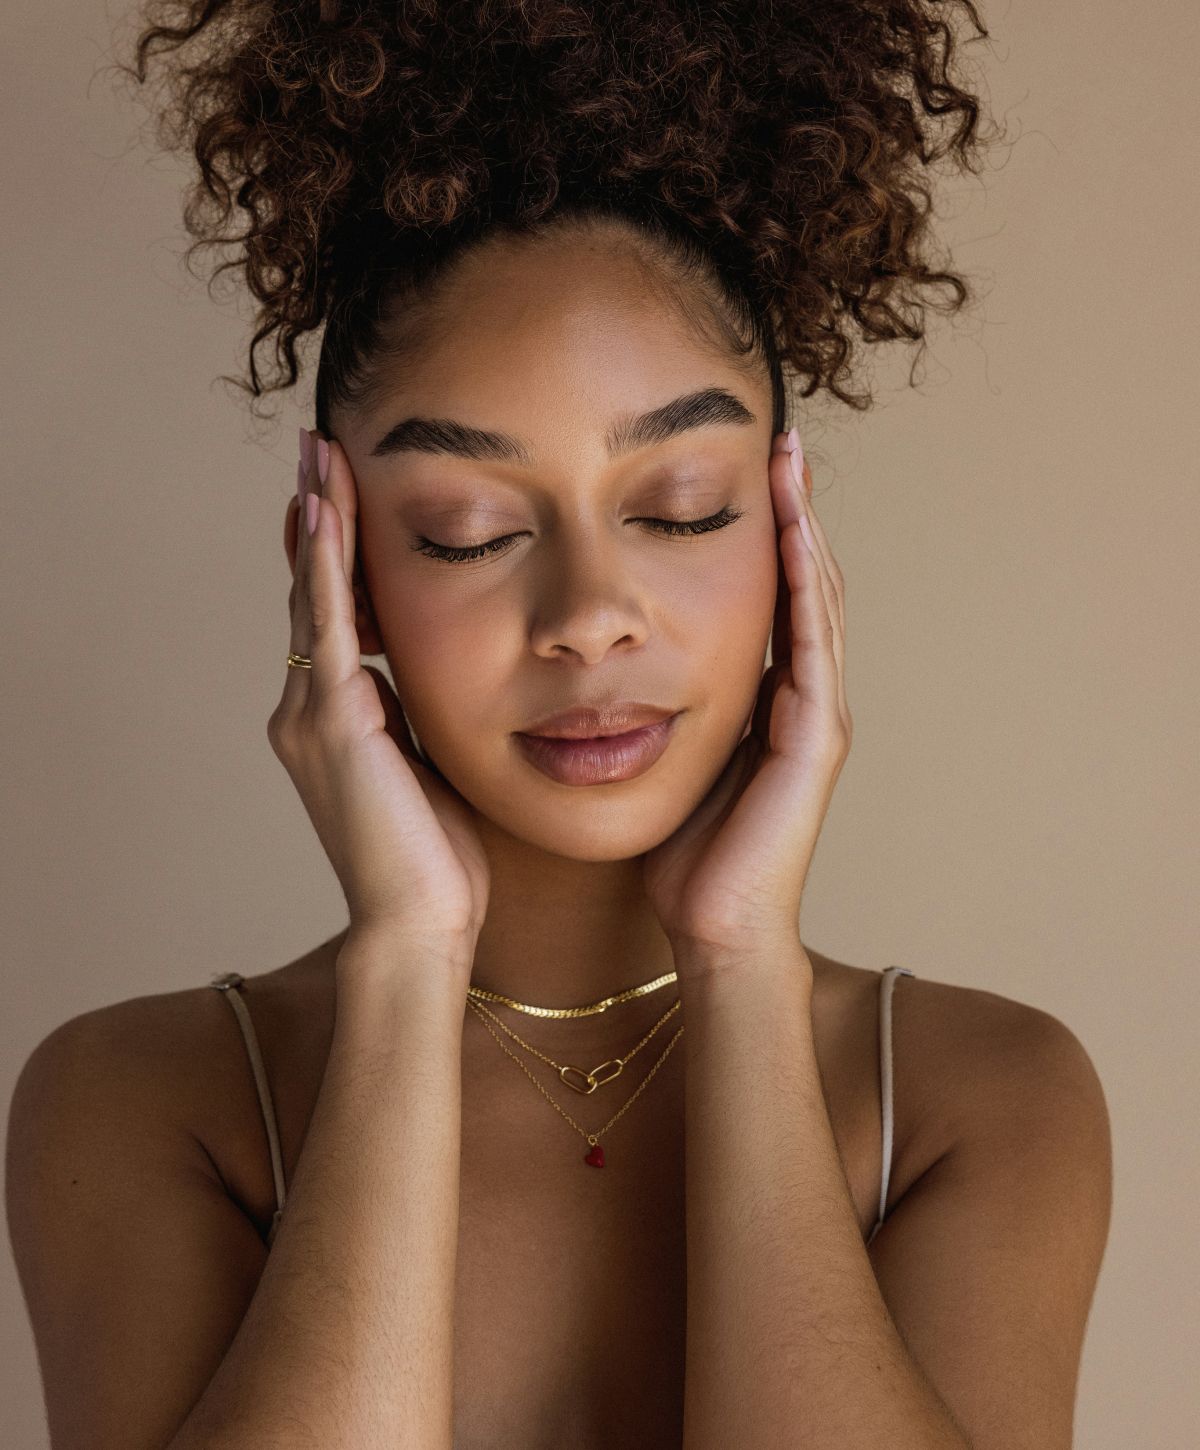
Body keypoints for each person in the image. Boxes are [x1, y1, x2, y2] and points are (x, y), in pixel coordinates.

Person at [5, 3, 1112, 1448]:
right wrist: (405, 958)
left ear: (789, 534)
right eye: (467, 530)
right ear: (339, 573)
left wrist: (742, 960)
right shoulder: (145, 1100)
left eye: (679, 508)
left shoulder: (980, 1099)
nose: (591, 612)